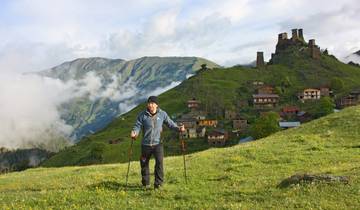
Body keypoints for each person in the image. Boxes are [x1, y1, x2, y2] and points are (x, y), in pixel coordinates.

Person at [130, 96, 185, 189]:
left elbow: (170, 124)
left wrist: (179, 129)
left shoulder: (162, 114)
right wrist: (134, 133)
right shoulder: (142, 115)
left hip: (158, 144)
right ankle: (146, 184)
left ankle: (158, 184)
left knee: (159, 164)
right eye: (149, 103)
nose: (150, 105)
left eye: (152, 103)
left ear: (156, 105)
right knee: (144, 164)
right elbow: (137, 126)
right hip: (145, 145)